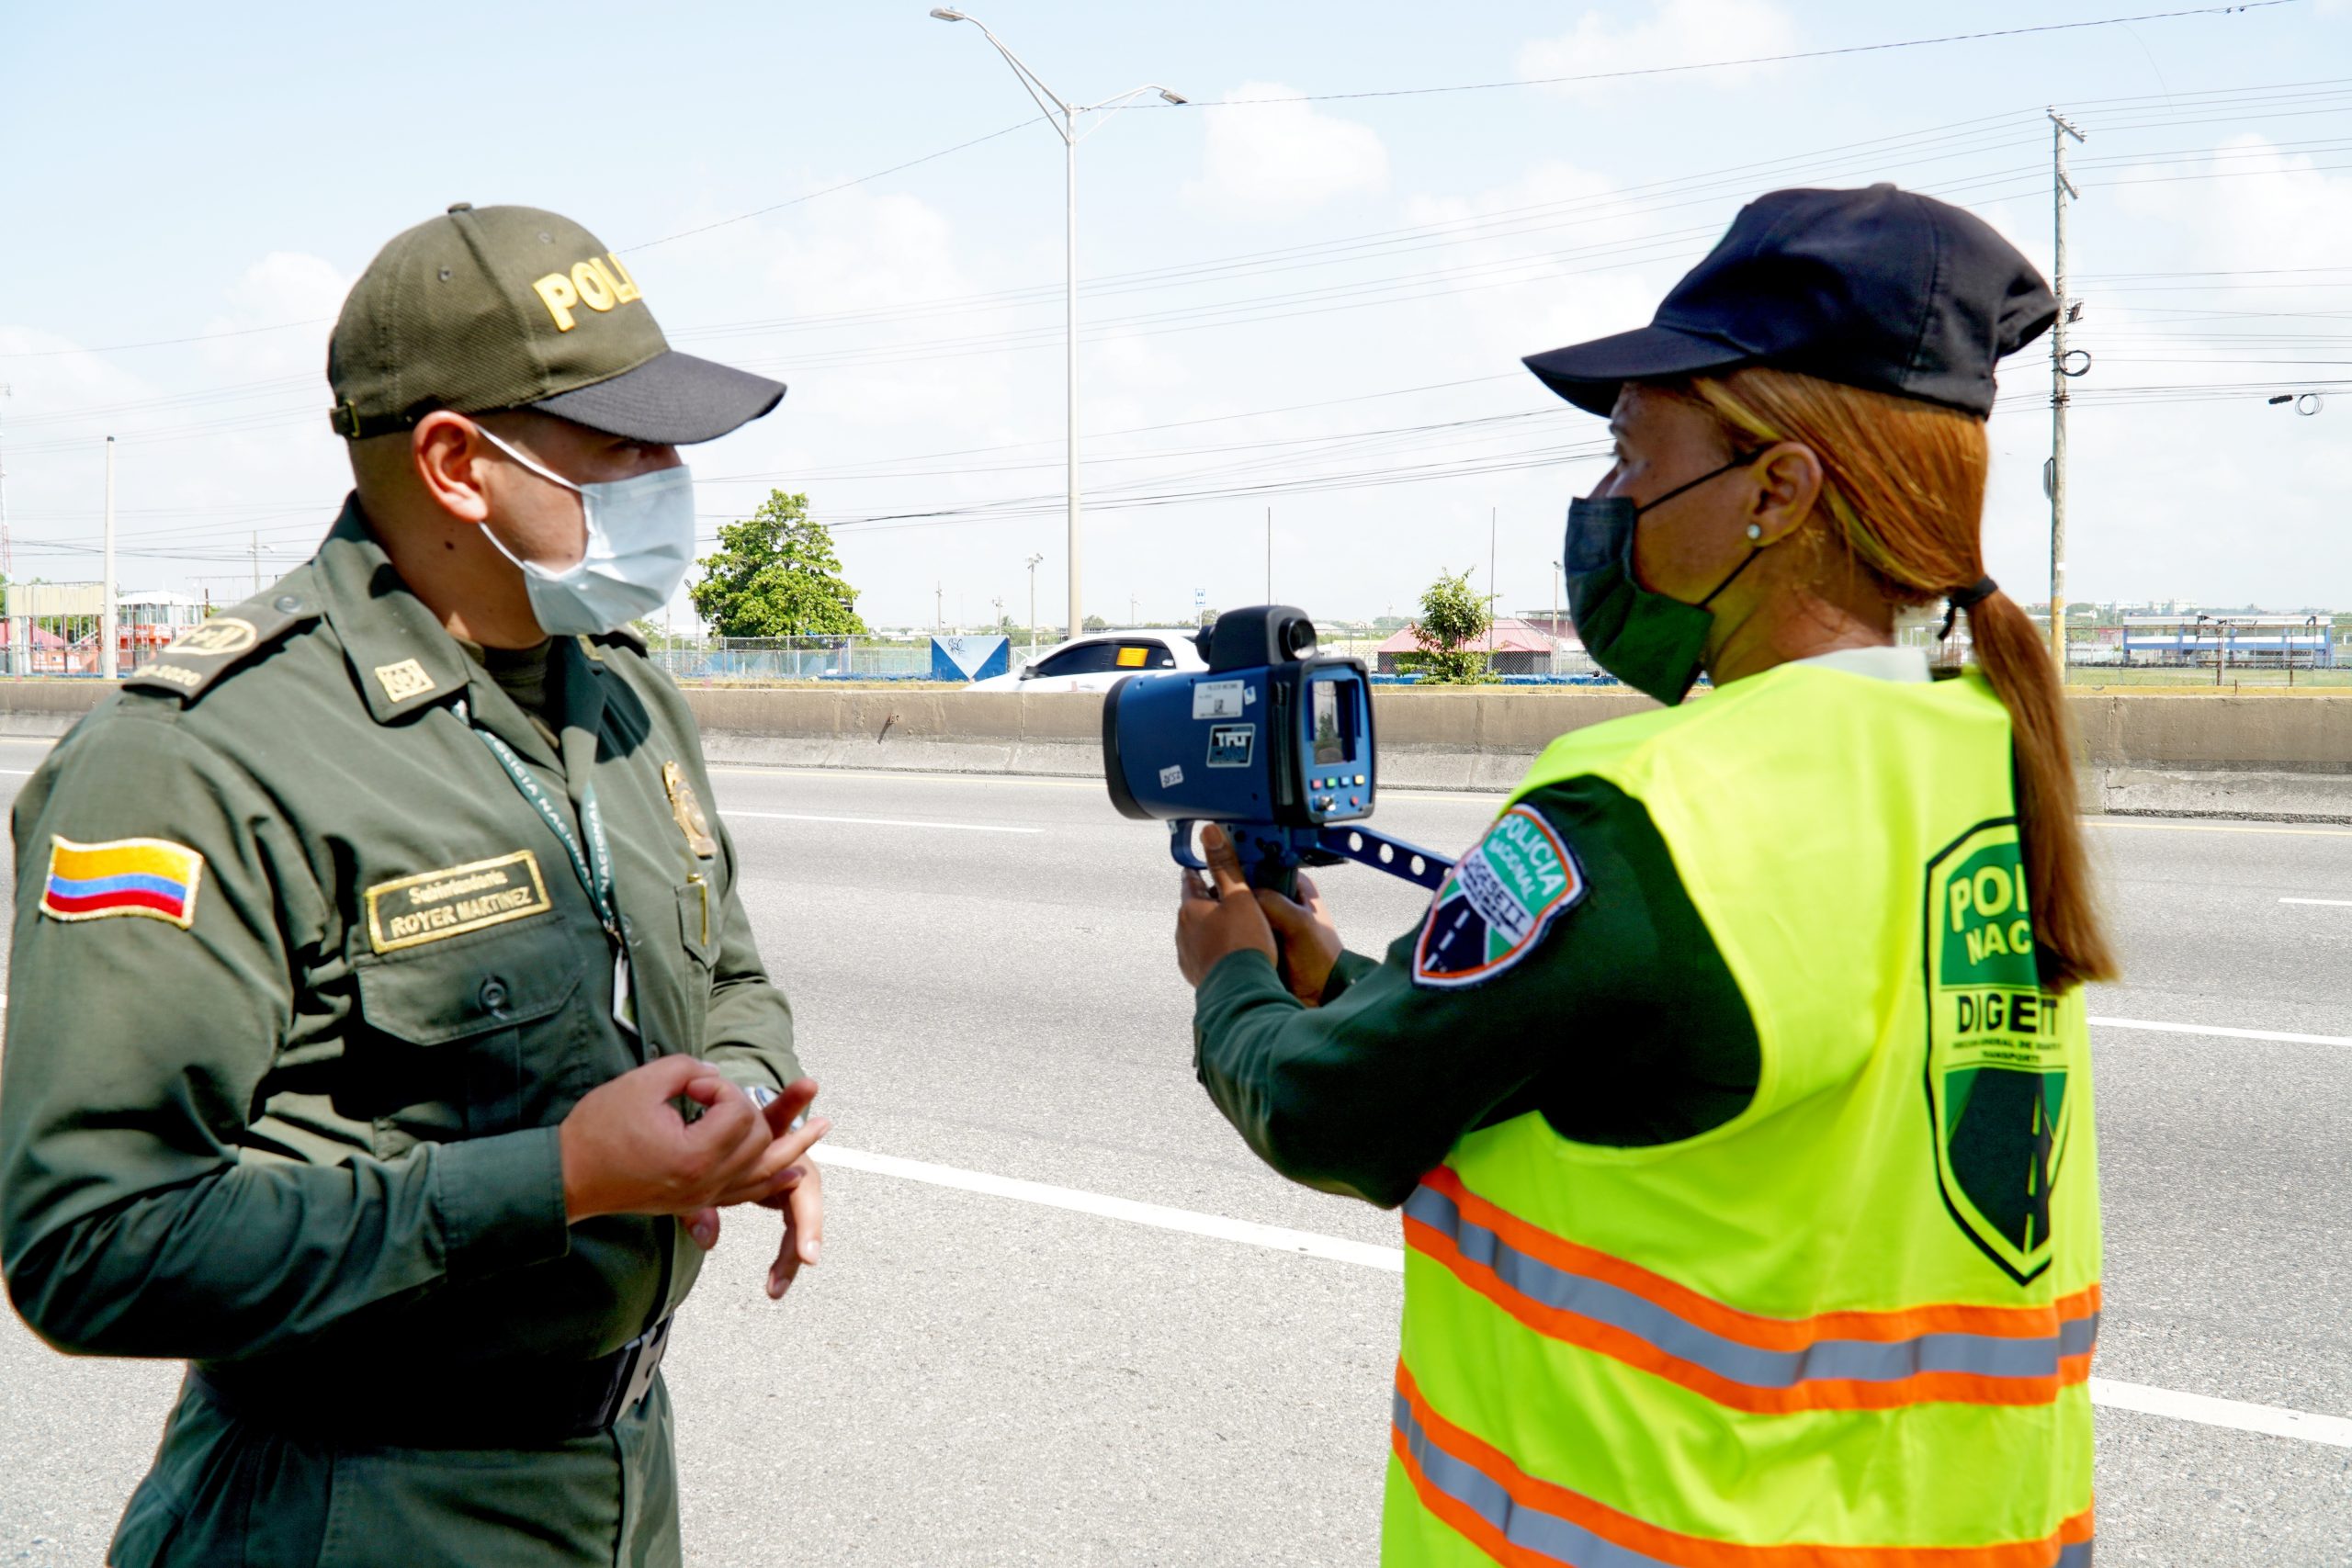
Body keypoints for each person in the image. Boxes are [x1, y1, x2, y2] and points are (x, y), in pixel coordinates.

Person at [1176, 184, 2113, 1566]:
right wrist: (1346, 977)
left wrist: (1235, 982)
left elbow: (1332, 1111)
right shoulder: (1983, 751)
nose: (1604, 500)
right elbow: (1670, 1069)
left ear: (1778, 491)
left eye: (1629, 456)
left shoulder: (1646, 808)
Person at [0, 203, 826, 1567]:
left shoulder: (619, 699)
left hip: (617, 1478)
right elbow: (98, 1240)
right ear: (456, 461)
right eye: (623, 443)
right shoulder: (199, 757)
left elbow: (725, 969)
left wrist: (741, 1106)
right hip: (354, 1500)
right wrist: (556, 1176)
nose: (672, 474)